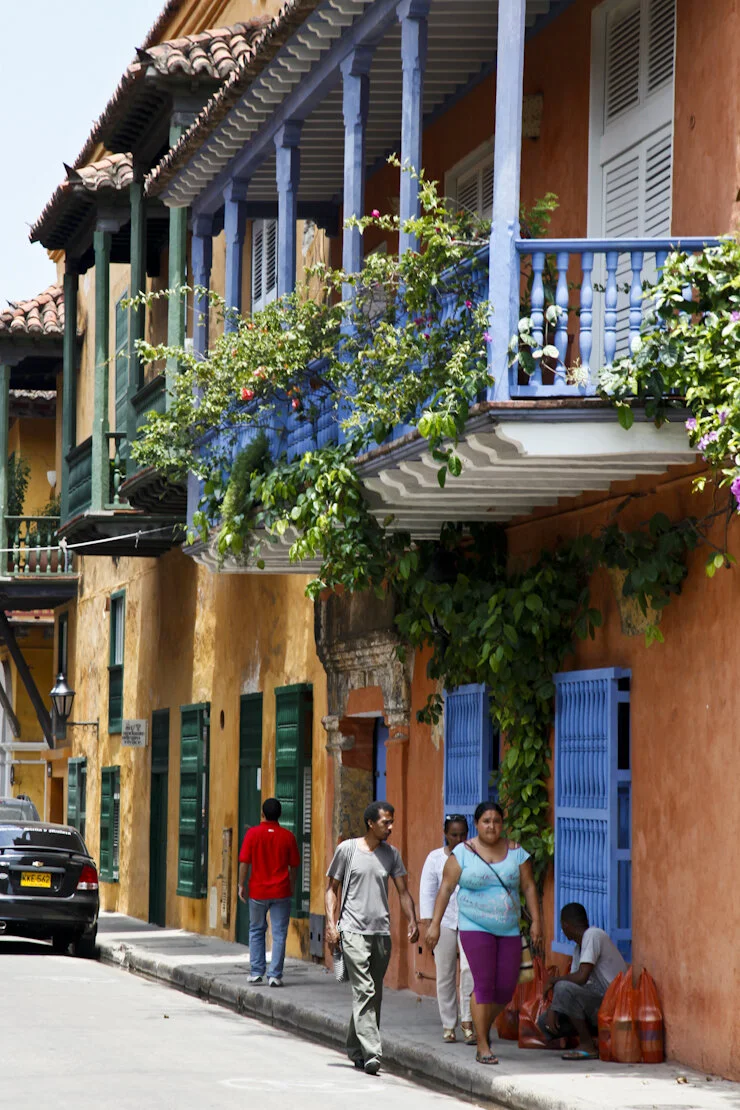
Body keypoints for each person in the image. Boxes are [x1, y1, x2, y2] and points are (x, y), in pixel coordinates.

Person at [424, 800, 541, 1066]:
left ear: (503, 824)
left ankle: (480, 1023)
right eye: (486, 821)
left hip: (509, 928)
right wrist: (433, 924)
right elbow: (445, 889)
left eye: (497, 821)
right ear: (477, 824)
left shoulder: (516, 853)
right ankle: (482, 1045)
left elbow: (529, 887)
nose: (492, 826)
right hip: (474, 927)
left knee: (506, 988)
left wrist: (537, 922)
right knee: (484, 984)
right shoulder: (462, 854)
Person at [325, 800, 419, 1076]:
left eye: (391, 822)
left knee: (372, 994)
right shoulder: (348, 850)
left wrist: (412, 919)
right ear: (370, 823)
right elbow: (331, 889)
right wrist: (332, 925)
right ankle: (372, 1052)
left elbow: (402, 891)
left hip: (381, 933)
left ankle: (355, 1049)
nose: (390, 827)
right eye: (385, 822)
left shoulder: (391, 855)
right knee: (364, 990)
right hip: (352, 931)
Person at [539, 901, 627, 1060]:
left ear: (565, 926)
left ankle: (588, 1045)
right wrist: (555, 1008)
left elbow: (581, 977)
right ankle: (596, 1038)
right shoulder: (578, 949)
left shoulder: (593, 935)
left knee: (563, 988)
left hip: (613, 1005)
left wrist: (553, 981)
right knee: (544, 1022)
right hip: (596, 1003)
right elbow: (574, 982)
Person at [419, 814, 475, 1045]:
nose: (459, 839)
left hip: (471, 921)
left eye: (463, 834)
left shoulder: (475, 856)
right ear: (445, 834)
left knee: (468, 971)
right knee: (445, 974)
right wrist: (429, 925)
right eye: (454, 834)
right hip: (443, 922)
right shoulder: (434, 859)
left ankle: (468, 1021)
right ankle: (448, 1024)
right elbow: (427, 893)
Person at [237, 797, 300, 987]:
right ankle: (275, 975)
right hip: (281, 891)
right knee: (279, 933)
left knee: (256, 930)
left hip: (258, 891)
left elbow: (244, 862)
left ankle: (256, 972)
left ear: (262, 814)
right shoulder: (288, 836)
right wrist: (292, 885)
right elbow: (294, 866)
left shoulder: (252, 834)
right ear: (280, 814)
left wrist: (241, 885)